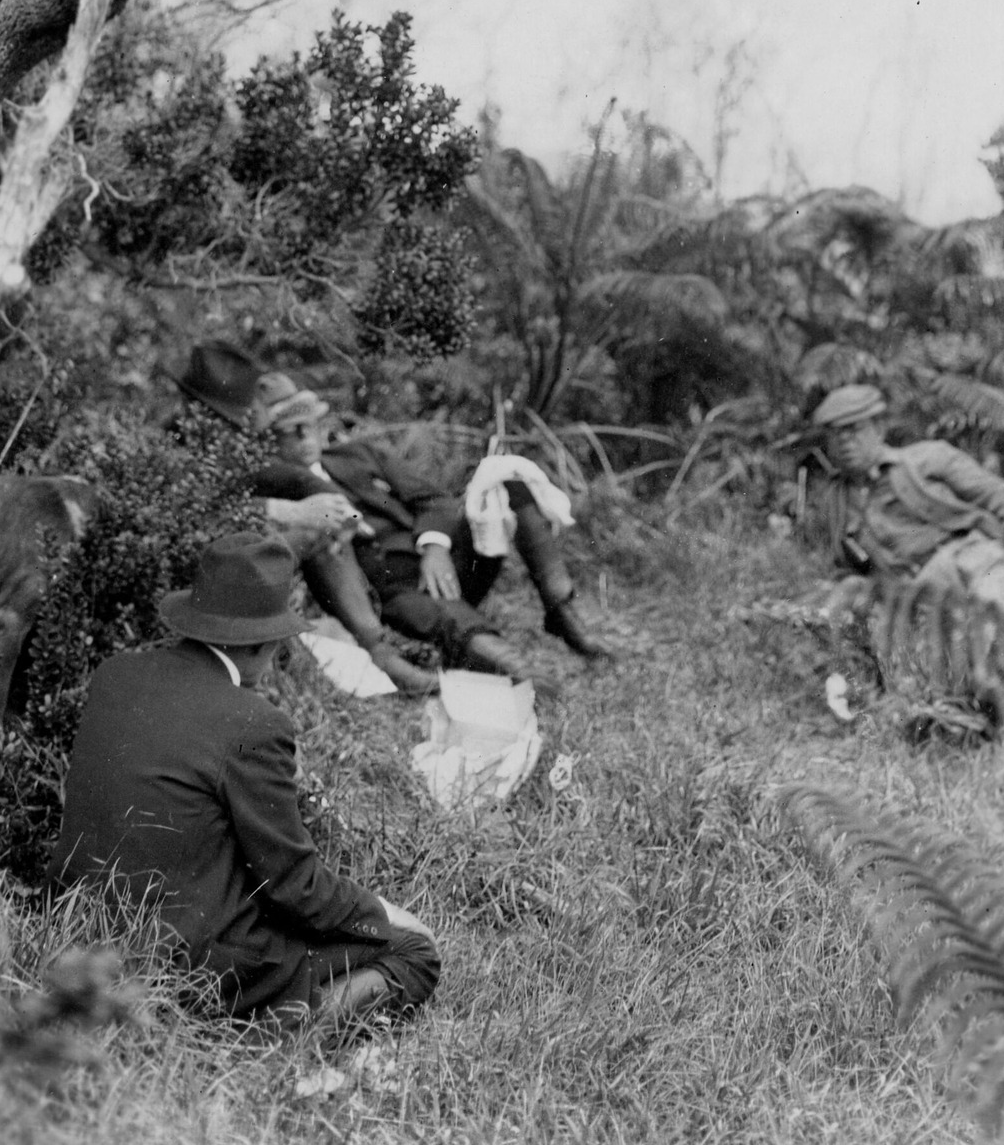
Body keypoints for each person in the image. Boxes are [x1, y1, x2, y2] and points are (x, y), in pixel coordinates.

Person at [49, 532, 441, 1026]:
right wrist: (383, 913)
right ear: (265, 640)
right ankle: (287, 1039)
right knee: (415, 954)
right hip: (192, 965)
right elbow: (298, 892)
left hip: (87, 935)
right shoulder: (253, 723)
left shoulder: (116, 674)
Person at [251, 376, 615, 684]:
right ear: (270, 442)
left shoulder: (357, 455)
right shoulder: (277, 490)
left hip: (445, 565)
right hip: (393, 593)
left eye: (308, 424)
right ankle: (524, 674)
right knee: (448, 621)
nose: (304, 436)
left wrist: (435, 546)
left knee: (507, 479)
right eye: (289, 432)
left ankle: (562, 611)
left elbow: (432, 498)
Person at [172, 342, 436, 696]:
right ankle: (294, 661)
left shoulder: (233, 441)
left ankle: (379, 650)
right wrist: (287, 511)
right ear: (198, 409)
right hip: (195, 571)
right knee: (296, 529)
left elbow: (288, 477)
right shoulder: (173, 446)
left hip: (237, 557)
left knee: (322, 527)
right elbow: (195, 512)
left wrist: (337, 506)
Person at [809, 383, 1004, 624]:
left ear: (879, 428)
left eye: (854, 429)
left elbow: (997, 494)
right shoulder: (833, 501)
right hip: (913, 599)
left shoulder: (927, 458)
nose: (844, 441)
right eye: (835, 433)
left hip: (969, 561)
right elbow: (841, 566)